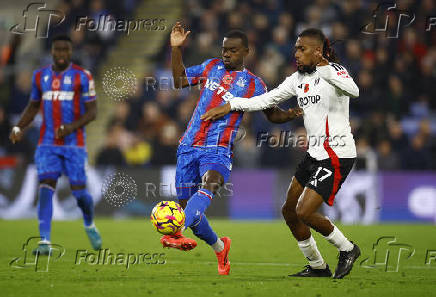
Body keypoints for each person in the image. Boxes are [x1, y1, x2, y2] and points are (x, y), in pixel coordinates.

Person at [202, 28, 360, 279]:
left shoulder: (335, 70)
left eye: (302, 49)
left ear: (318, 52)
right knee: (289, 210)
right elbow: (266, 100)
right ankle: (318, 266)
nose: (296, 53)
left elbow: (354, 90)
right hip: (314, 154)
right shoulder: (297, 79)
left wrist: (326, 70)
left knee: (304, 212)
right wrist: (231, 105)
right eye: (296, 48)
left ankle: (348, 248)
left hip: (337, 154)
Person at [163, 22, 302, 275]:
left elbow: (272, 115)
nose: (226, 54)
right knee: (190, 213)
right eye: (225, 49)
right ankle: (219, 247)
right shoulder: (211, 66)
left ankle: (175, 231)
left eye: (233, 50)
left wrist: (291, 114)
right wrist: (176, 49)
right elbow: (179, 80)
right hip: (188, 146)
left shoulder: (255, 85)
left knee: (211, 182)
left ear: (246, 52)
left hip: (218, 148)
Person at [9, 35, 102, 255]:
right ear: (52, 51)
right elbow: (33, 107)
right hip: (47, 143)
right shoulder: (40, 76)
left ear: (71, 51)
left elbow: (93, 112)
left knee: (80, 193)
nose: (61, 54)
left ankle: (89, 223)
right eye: (57, 50)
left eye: (65, 50)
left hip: (74, 144)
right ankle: (45, 241)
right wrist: (19, 128)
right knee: (45, 187)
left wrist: (71, 127)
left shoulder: (83, 76)